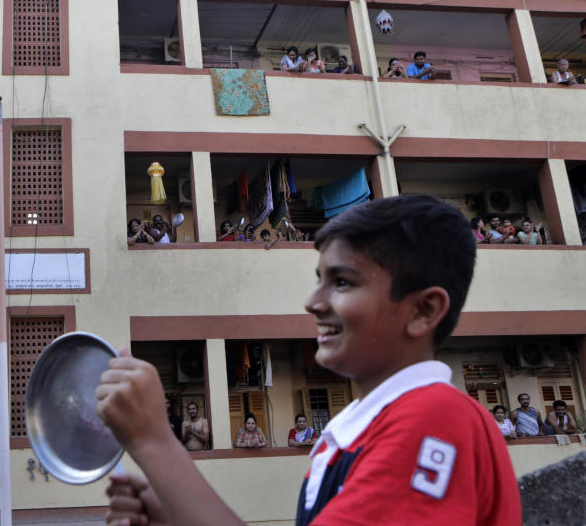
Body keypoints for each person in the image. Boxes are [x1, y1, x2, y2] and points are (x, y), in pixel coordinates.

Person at [97, 195, 520, 526]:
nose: (313, 303)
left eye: (341, 282)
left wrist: (155, 443)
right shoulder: (366, 425)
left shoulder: (434, 419)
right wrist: (182, 512)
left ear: (423, 311)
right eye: (319, 280)